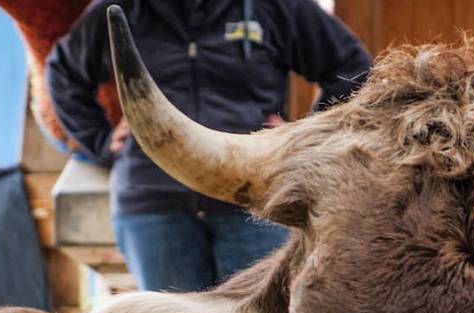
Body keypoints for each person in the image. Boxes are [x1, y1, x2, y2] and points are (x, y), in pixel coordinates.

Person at [46, 0, 371, 292]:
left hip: (255, 200)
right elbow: (63, 72)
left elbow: (351, 66)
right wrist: (102, 143)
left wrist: (305, 138)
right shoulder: (120, 9)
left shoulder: (274, 7)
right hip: (154, 204)